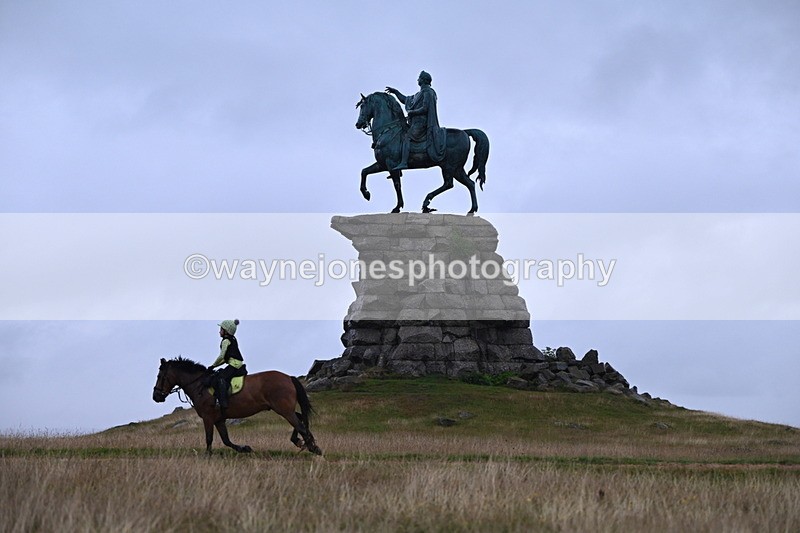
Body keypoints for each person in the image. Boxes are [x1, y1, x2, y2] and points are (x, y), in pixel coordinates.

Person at [385, 70, 446, 171]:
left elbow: (425, 108)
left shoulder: (428, 92)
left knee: (406, 137)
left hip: (422, 123)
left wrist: (413, 112)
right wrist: (395, 92)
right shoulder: (419, 94)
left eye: (419, 78)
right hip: (415, 123)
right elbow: (405, 100)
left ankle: (404, 162)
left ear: (423, 80)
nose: (418, 79)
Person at [209, 319, 247, 415]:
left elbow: (222, 356)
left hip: (234, 365)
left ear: (226, 331)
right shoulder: (233, 339)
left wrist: (212, 365)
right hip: (237, 364)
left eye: (221, 329)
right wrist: (214, 366)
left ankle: (223, 403)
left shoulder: (226, 341)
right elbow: (225, 359)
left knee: (220, 378)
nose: (219, 331)